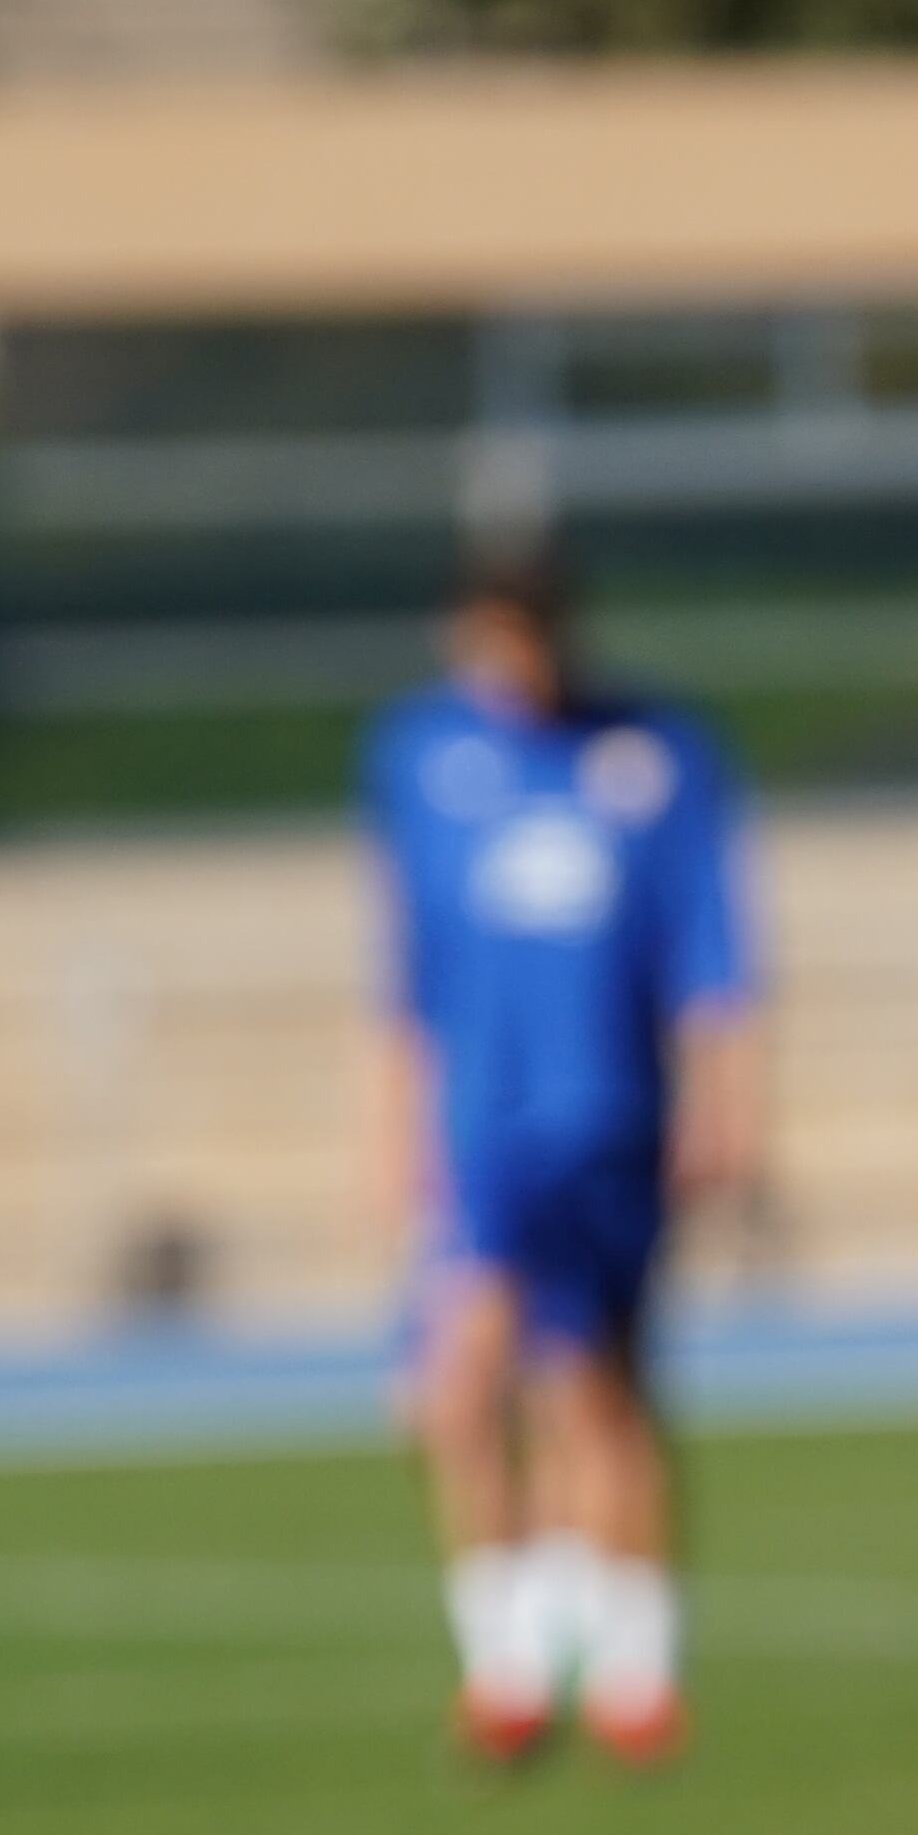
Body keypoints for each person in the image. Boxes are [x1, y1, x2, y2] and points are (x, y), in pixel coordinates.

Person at [364, 532, 763, 1766]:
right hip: (485, 1125)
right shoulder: (422, 759)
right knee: (455, 1386)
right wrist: (383, 1129)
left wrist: (725, 1109)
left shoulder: (655, 757)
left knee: (600, 1389)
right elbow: (402, 965)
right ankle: (512, 1657)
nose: (519, 659)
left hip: (613, 1119)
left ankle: (634, 1674)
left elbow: (711, 953)